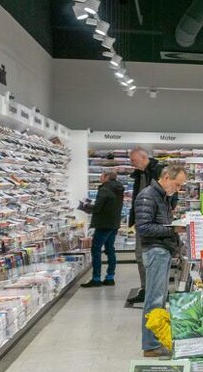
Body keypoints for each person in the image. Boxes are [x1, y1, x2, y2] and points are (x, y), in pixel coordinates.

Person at [134, 164, 186, 356]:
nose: (178, 189)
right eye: (177, 185)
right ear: (165, 177)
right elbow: (144, 228)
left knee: (160, 298)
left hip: (162, 250)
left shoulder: (163, 197)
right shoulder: (148, 196)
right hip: (155, 251)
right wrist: (172, 229)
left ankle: (155, 341)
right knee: (154, 299)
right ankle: (150, 346)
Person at [128, 147, 164, 303]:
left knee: (155, 255)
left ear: (143, 157)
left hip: (155, 222)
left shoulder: (159, 171)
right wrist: (134, 219)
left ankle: (156, 290)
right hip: (141, 221)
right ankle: (146, 289)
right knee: (140, 255)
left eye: (133, 160)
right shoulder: (139, 175)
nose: (132, 164)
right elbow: (136, 198)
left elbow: (169, 196)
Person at [80, 170, 125, 288]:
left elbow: (97, 208)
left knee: (96, 249)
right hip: (114, 223)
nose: (100, 178)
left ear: (106, 177)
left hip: (103, 224)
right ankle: (110, 277)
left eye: (101, 175)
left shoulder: (104, 189)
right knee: (110, 249)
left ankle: (96, 278)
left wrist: (85, 206)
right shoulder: (119, 189)